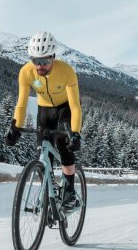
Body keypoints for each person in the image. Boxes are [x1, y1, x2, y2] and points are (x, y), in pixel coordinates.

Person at [5, 31, 82, 210]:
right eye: (35, 61)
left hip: (66, 108)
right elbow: (21, 103)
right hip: (45, 109)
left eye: (45, 62)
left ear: (53, 57)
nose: (40, 66)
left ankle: (69, 191)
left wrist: (75, 132)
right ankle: (50, 184)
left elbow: (76, 106)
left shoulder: (67, 72)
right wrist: (15, 126)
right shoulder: (26, 72)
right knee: (43, 150)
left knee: (64, 143)